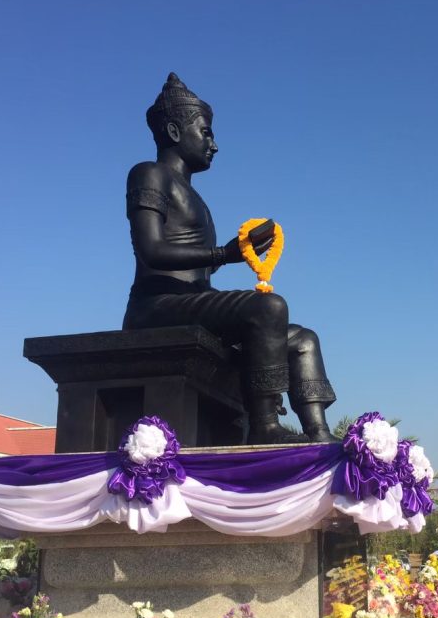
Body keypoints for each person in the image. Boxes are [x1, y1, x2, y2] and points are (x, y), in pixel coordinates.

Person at [122, 73, 338, 445]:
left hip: (194, 302)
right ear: (174, 131)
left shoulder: (196, 198)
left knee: (303, 340)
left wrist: (234, 251)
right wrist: (224, 253)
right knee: (268, 307)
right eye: (206, 133)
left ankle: (318, 434)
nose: (214, 145)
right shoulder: (149, 174)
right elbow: (151, 249)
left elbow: (200, 267)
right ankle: (264, 425)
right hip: (157, 306)